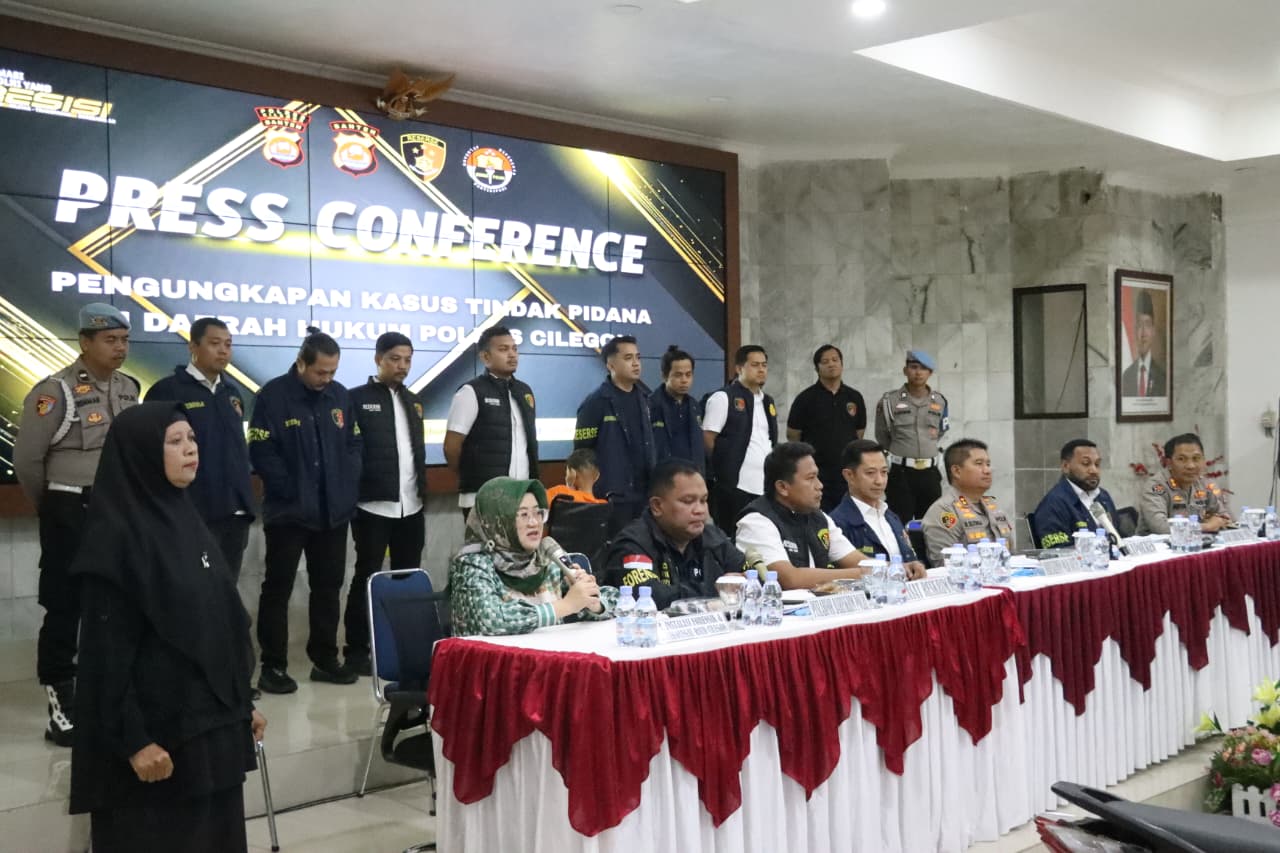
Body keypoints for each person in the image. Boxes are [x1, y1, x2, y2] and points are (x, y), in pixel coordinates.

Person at [68, 402, 266, 853]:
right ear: (141, 454)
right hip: (158, 744)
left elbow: (221, 621)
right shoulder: (115, 541)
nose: (190, 449)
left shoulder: (186, 518)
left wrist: (240, 704)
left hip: (209, 730)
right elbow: (107, 657)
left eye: (192, 439)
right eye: (174, 442)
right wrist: (135, 741)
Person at [13, 302, 140, 747]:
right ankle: (61, 703)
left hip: (116, 511)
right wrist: (51, 506)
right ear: (85, 342)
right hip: (69, 509)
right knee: (65, 607)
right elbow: (27, 460)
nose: (120, 347)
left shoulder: (128, 387)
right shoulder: (56, 391)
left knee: (114, 604)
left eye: (124, 340)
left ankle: (105, 694)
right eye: (110, 340)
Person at [248, 329, 362, 694]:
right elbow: (261, 450)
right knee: (277, 588)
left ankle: (325, 659)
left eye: (332, 372)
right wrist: (289, 489)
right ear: (301, 363)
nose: (326, 378)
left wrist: (345, 485)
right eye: (320, 372)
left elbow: (354, 444)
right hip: (288, 513)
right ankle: (273, 666)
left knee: (328, 587)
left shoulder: (340, 396)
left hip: (333, 513)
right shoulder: (273, 396)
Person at [342, 332, 426, 677]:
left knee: (408, 577)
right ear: (378, 359)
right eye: (394, 359)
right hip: (372, 505)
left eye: (407, 360)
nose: (402, 366)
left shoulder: (414, 401)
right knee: (368, 575)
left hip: (412, 504)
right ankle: (356, 650)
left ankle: (404, 645)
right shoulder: (355, 399)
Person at [145, 318, 254, 581]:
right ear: (193, 346)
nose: (223, 351)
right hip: (193, 512)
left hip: (235, 513)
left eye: (228, 344)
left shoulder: (231, 392)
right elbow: (151, 453)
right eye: (215, 343)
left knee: (226, 590)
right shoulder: (167, 391)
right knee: (192, 589)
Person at [449, 478, 618, 636]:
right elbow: (491, 621)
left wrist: (593, 603)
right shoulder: (472, 563)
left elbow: (618, 602)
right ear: (498, 521)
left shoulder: (545, 561)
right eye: (523, 515)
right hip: (494, 658)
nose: (534, 523)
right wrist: (566, 606)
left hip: (546, 656)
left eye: (538, 513)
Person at [604, 459, 748, 609]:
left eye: (703, 500)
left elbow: (753, 579)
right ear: (657, 506)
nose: (700, 510)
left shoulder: (714, 538)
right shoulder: (633, 544)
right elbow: (649, 597)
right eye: (688, 501)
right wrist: (718, 589)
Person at [735, 442, 870, 590]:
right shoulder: (756, 522)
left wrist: (886, 568)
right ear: (782, 487)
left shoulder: (819, 518)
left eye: (817, 477)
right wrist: (864, 573)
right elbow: (790, 580)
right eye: (810, 478)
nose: (819, 485)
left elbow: (858, 561)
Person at [443, 326, 539, 517]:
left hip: (521, 495)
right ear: (485, 357)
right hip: (482, 496)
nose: (512, 354)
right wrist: (472, 475)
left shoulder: (524, 391)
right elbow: (451, 446)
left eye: (514, 349)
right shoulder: (471, 391)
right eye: (503, 349)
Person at [574, 335, 656, 529]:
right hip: (611, 498)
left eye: (637, 357)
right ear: (610, 365)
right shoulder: (596, 402)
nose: (636, 363)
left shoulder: (647, 400)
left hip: (645, 495)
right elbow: (582, 454)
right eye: (628, 358)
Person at [703, 344, 777, 533]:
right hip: (735, 487)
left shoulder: (768, 401)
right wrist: (724, 468)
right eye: (755, 365)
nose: (761, 369)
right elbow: (708, 438)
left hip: (764, 487)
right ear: (739, 368)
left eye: (764, 365)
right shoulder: (723, 398)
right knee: (733, 537)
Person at [829, 439, 927, 578]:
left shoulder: (891, 516)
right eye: (870, 473)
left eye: (884, 472)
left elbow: (909, 559)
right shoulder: (837, 523)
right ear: (849, 475)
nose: (879, 481)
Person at [786, 344, 867, 511]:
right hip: (817, 473)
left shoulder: (854, 397)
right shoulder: (805, 398)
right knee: (819, 517)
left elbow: (859, 432)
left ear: (842, 364)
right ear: (817, 368)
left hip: (847, 473)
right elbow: (793, 434)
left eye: (835, 360)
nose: (831, 364)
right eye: (825, 361)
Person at [875, 349, 949, 523]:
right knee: (900, 522)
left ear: (930, 373)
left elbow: (941, 430)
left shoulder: (940, 401)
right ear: (905, 370)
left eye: (923, 368)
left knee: (931, 524)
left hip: (930, 473)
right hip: (901, 473)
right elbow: (882, 435)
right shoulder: (889, 401)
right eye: (914, 367)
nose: (918, 372)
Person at [920, 438, 1014, 566]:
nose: (987, 470)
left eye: (988, 464)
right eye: (979, 464)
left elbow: (1011, 554)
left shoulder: (993, 506)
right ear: (957, 471)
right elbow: (945, 563)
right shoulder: (944, 510)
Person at [1031, 439, 1120, 549]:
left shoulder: (1103, 496)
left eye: (1097, 464)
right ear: (1065, 466)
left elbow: (1118, 537)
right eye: (1086, 464)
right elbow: (1058, 551)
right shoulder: (1053, 504)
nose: (1094, 470)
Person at [1138, 433, 1231, 535]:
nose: (1191, 466)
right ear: (1169, 463)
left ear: (1203, 460)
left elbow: (1225, 517)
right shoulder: (1156, 486)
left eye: (1196, 458)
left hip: (1199, 542)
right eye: (1182, 459)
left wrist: (1218, 520)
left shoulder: (1204, 484)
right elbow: (1160, 527)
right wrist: (1207, 527)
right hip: (1159, 544)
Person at [649, 345, 703, 472]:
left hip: (692, 475)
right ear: (664, 376)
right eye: (678, 375)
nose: (684, 380)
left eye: (688, 375)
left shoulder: (695, 406)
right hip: (663, 476)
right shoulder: (650, 405)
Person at [1121, 291, 1167, 398]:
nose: (1143, 333)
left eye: (1147, 324)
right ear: (1134, 330)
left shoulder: (1163, 378)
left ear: (1153, 330)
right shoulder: (1126, 377)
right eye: (1139, 325)